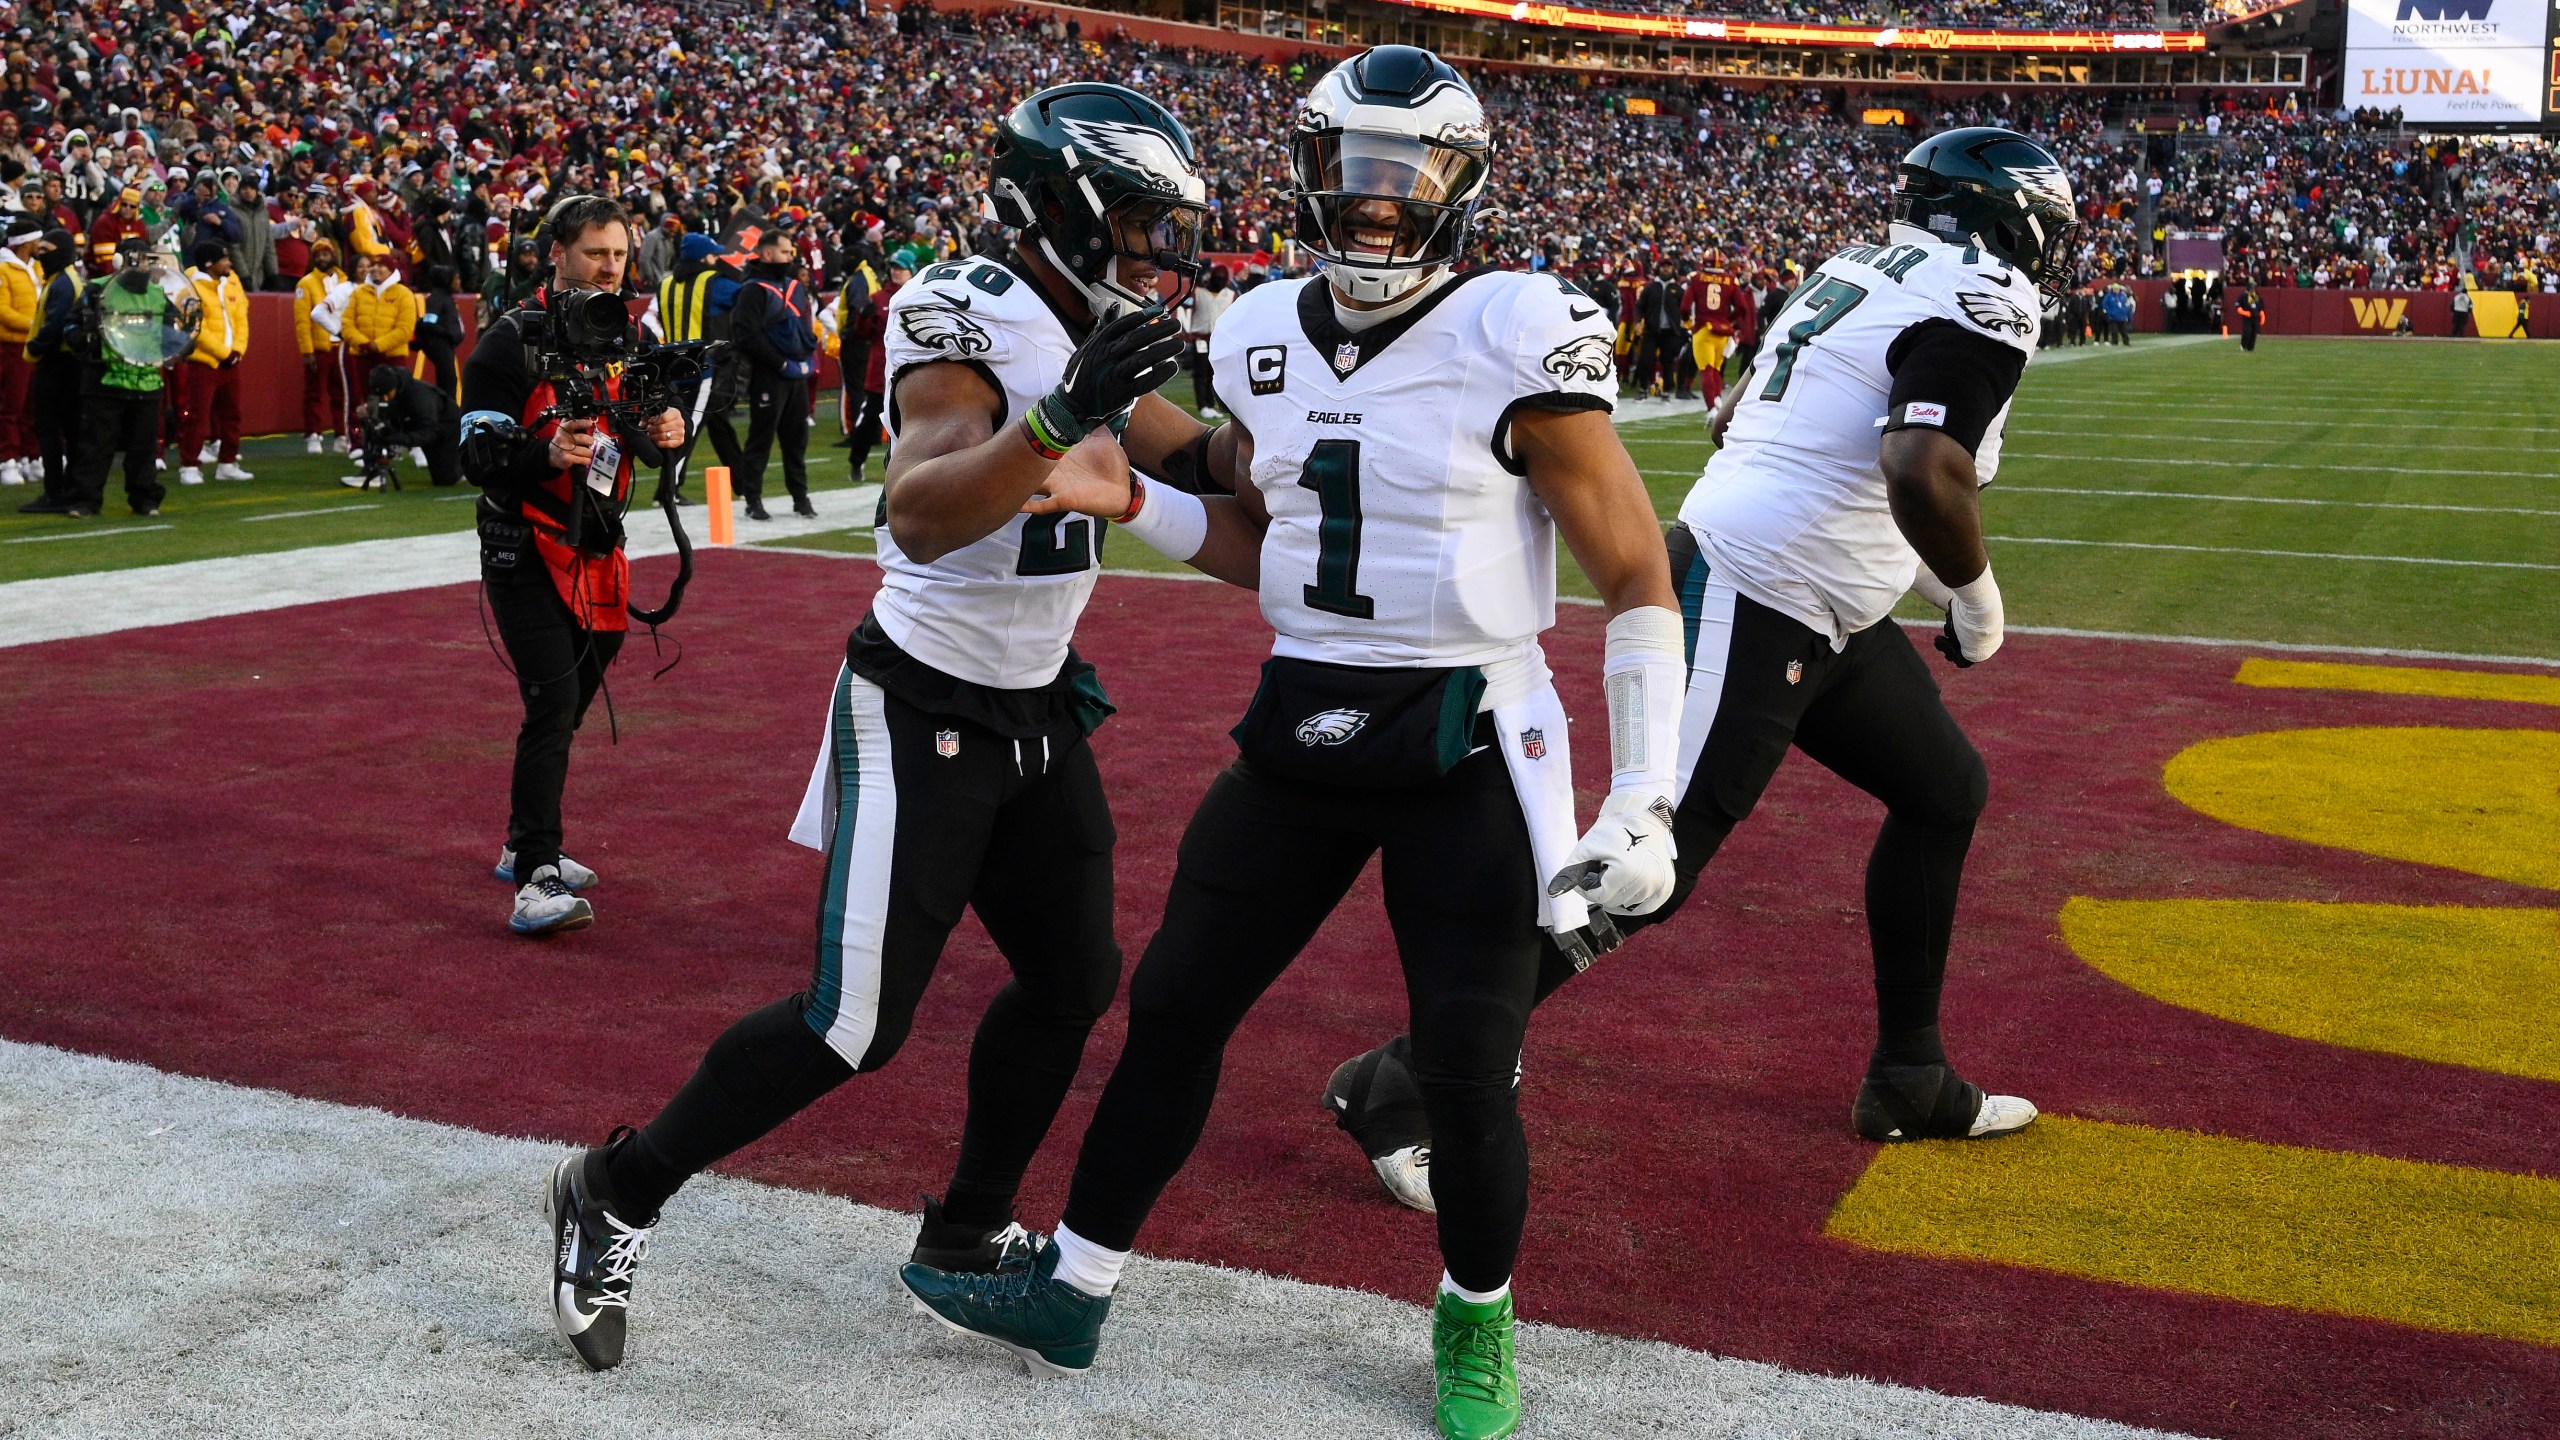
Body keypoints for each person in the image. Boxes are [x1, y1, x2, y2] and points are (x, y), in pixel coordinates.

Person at [898, 51, 1684, 1440]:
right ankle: (1074, 1287)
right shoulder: (1260, 326)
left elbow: (1633, 568)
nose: (1375, 210)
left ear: (1461, 187)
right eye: (1353, 174)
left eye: (1407, 179)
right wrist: (1132, 494)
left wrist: (1644, 791)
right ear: (1313, 170)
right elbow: (1271, 544)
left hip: (1470, 732)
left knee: (1462, 1068)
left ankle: (1478, 1316)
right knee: (1176, 1005)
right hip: (1303, 718)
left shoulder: (1515, 323)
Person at [534, 83, 1212, 1378]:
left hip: (1037, 707)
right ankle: (616, 1188)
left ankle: (962, 1233)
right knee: (854, 1026)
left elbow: (1201, 462)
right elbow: (920, 507)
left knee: (1073, 979)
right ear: (1054, 208)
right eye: (1129, 216)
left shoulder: (1093, 323)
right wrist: (1065, 417)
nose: (1149, 245)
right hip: (922, 702)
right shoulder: (961, 309)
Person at [1317, 126, 2055, 1234]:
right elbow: (1921, 464)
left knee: (1943, 789)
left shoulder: (1857, 264)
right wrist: (1974, 595)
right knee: (1644, 870)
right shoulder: (1983, 288)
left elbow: (1732, 415)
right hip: (1757, 591)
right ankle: (1402, 1080)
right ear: (2016, 217)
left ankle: (1908, 1077)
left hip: (1817, 604)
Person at [459, 194, 685, 937]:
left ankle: (524, 836)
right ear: (554, 253)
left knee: (584, 677)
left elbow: (646, 441)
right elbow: (474, 456)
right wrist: (543, 452)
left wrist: (668, 431)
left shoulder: (628, 333)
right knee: (553, 699)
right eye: (596, 253)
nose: (612, 267)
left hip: (598, 544)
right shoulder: (509, 341)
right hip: (524, 544)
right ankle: (535, 874)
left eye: (620, 254)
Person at [66, 239, 192, 518]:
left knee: (143, 449)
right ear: (122, 261)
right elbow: (72, 326)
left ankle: (145, 499)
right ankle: (86, 500)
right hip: (105, 379)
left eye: (149, 259)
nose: (147, 265)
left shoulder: (158, 295)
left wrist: (183, 344)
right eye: (142, 259)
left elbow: (172, 334)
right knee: (95, 447)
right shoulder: (97, 289)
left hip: (146, 380)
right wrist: (83, 339)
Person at [727, 227, 820, 519]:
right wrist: (779, 362)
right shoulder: (752, 290)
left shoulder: (795, 286)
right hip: (769, 374)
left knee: (797, 439)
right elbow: (746, 335)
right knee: (761, 438)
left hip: (795, 374)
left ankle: (800, 498)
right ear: (767, 254)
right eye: (785, 252)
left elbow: (805, 324)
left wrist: (805, 356)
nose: (790, 257)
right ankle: (753, 499)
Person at [652, 232, 745, 499]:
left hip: (672, 364)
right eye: (713, 254)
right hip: (703, 366)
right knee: (689, 425)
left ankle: (743, 482)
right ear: (704, 257)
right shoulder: (714, 283)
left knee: (719, 424)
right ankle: (667, 491)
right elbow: (745, 294)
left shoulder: (666, 283)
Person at [15, 228, 85, 513]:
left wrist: (34, 349)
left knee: (49, 428)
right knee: (69, 429)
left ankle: (56, 491)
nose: (40, 255)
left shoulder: (62, 284)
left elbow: (54, 326)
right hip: (68, 363)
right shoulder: (63, 278)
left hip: (58, 363)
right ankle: (71, 488)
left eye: (46, 250)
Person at [175, 240, 253, 484]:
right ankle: (189, 465)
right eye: (224, 259)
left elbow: (241, 317)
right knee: (197, 415)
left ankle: (227, 462)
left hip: (231, 361)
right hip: (205, 363)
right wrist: (223, 352)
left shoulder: (230, 283)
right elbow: (195, 328)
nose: (229, 263)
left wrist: (238, 350)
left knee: (232, 414)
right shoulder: (191, 290)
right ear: (210, 264)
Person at [343, 252, 418, 456]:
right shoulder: (359, 293)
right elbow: (347, 323)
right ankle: (368, 444)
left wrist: (378, 345)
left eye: (380, 266)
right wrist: (363, 344)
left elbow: (405, 328)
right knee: (367, 402)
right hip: (363, 356)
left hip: (392, 357)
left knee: (397, 402)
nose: (375, 269)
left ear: (391, 269)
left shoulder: (403, 294)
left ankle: (401, 442)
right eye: (373, 266)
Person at [839, 250, 902, 479]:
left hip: (909, 372)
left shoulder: (920, 294)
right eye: (894, 267)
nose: (896, 271)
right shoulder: (878, 298)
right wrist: (863, 317)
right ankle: (856, 462)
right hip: (880, 372)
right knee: (867, 422)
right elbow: (862, 333)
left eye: (901, 267)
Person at [349, 361, 460, 488]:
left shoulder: (420, 397)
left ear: (395, 387)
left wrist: (399, 438)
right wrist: (368, 415)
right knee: (373, 424)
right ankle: (371, 469)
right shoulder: (384, 389)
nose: (384, 399)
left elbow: (429, 433)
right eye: (380, 395)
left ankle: (468, 461)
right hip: (414, 423)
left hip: (446, 429)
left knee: (444, 479)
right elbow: (375, 417)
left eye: (387, 394)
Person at [296, 238, 355, 454]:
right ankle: (313, 435)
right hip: (320, 346)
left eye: (326, 254)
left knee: (343, 392)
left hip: (341, 343)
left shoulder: (346, 281)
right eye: (318, 255)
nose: (322, 258)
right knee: (315, 393)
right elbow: (302, 321)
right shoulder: (306, 283)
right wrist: (307, 351)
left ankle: (342, 434)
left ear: (333, 255)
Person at [0, 219, 41, 487]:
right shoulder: (4, 269)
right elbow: (2, 310)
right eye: (36, 240)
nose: (40, 244)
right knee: (11, 403)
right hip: (13, 345)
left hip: (36, 345)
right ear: (25, 243)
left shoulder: (36, 268)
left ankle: (31, 455)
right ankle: (8, 459)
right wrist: (32, 324)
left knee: (33, 404)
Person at [1182, 261, 1234, 416]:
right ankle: (1203, 405)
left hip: (1219, 339)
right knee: (1201, 372)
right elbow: (1185, 304)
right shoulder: (1198, 292)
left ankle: (1211, 404)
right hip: (1201, 338)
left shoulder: (1230, 295)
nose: (1219, 280)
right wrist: (1193, 283)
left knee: (1215, 373)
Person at [413, 263, 462, 395]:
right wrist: (447, 334)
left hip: (446, 345)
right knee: (448, 381)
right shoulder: (437, 299)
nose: (458, 282)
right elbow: (429, 322)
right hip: (440, 345)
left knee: (449, 381)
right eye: (456, 278)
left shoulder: (445, 297)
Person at [2235, 285, 2266, 351]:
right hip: (2247, 317)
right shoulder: (2243, 296)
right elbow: (2238, 306)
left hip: (2255, 317)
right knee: (2247, 331)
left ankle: (2251, 347)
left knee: (2254, 332)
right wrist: (2244, 312)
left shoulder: (2255, 297)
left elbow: (2259, 307)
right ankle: (2244, 346)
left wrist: (2262, 316)